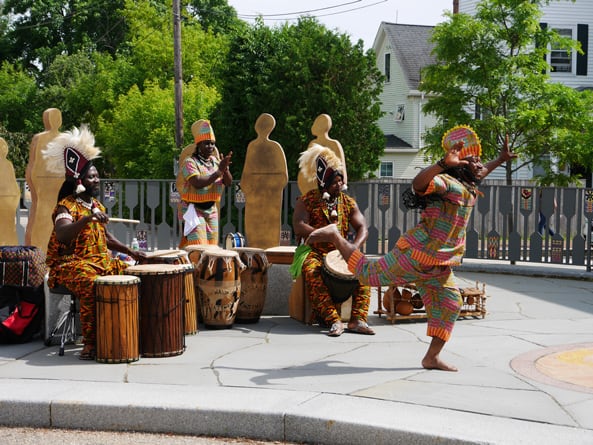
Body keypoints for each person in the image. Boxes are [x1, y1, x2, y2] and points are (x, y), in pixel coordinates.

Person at [307, 130, 517, 370]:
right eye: (474, 160)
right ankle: (334, 234)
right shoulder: (446, 183)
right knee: (367, 274)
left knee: (451, 303)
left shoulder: (468, 185)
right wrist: (441, 164)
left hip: (439, 264)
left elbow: (480, 173)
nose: (480, 164)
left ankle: (431, 358)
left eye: (480, 160)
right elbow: (418, 184)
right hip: (416, 254)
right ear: (460, 166)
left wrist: (499, 160)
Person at [43, 125, 146, 360]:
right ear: (79, 181)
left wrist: (132, 252)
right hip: (71, 265)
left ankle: (128, 334)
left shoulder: (97, 206)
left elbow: (105, 238)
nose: (97, 179)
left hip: (99, 261)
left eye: (97, 175)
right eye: (92, 176)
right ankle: (91, 343)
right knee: (91, 283)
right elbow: (62, 234)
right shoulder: (66, 206)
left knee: (135, 272)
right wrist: (87, 219)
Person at [293, 144, 375, 337]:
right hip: (315, 252)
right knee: (312, 270)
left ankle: (358, 320)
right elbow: (298, 225)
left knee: (364, 269)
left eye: (340, 181)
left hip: (342, 252)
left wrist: (353, 248)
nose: (339, 185)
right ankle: (333, 320)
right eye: (334, 182)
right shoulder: (307, 200)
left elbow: (362, 227)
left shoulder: (347, 202)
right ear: (323, 183)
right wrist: (324, 234)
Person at [178, 120, 232, 247]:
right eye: (207, 143)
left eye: (212, 144)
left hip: (211, 209)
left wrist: (225, 170)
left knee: (211, 248)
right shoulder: (190, 162)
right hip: (194, 210)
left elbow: (228, 183)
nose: (210, 147)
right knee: (198, 248)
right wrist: (219, 171)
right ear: (199, 145)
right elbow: (197, 182)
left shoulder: (215, 161)